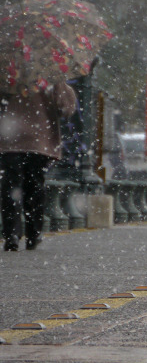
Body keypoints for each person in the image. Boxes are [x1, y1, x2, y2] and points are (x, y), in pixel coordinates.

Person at [1, 83, 77, 252]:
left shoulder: (10, 70)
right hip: (39, 139)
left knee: (11, 185)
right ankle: (33, 233)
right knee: (35, 186)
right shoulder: (48, 73)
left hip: (11, 138)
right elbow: (67, 108)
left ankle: (11, 233)